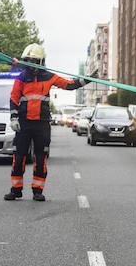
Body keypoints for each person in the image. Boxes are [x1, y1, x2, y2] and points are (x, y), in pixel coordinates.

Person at [5, 44, 92, 201]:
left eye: (33, 60)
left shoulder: (49, 76)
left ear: (40, 61)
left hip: (42, 124)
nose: (30, 62)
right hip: (24, 124)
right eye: (28, 59)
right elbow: (13, 97)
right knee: (18, 158)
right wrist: (13, 118)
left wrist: (87, 80)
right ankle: (16, 189)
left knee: (40, 158)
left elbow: (69, 85)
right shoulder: (21, 77)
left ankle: (38, 190)